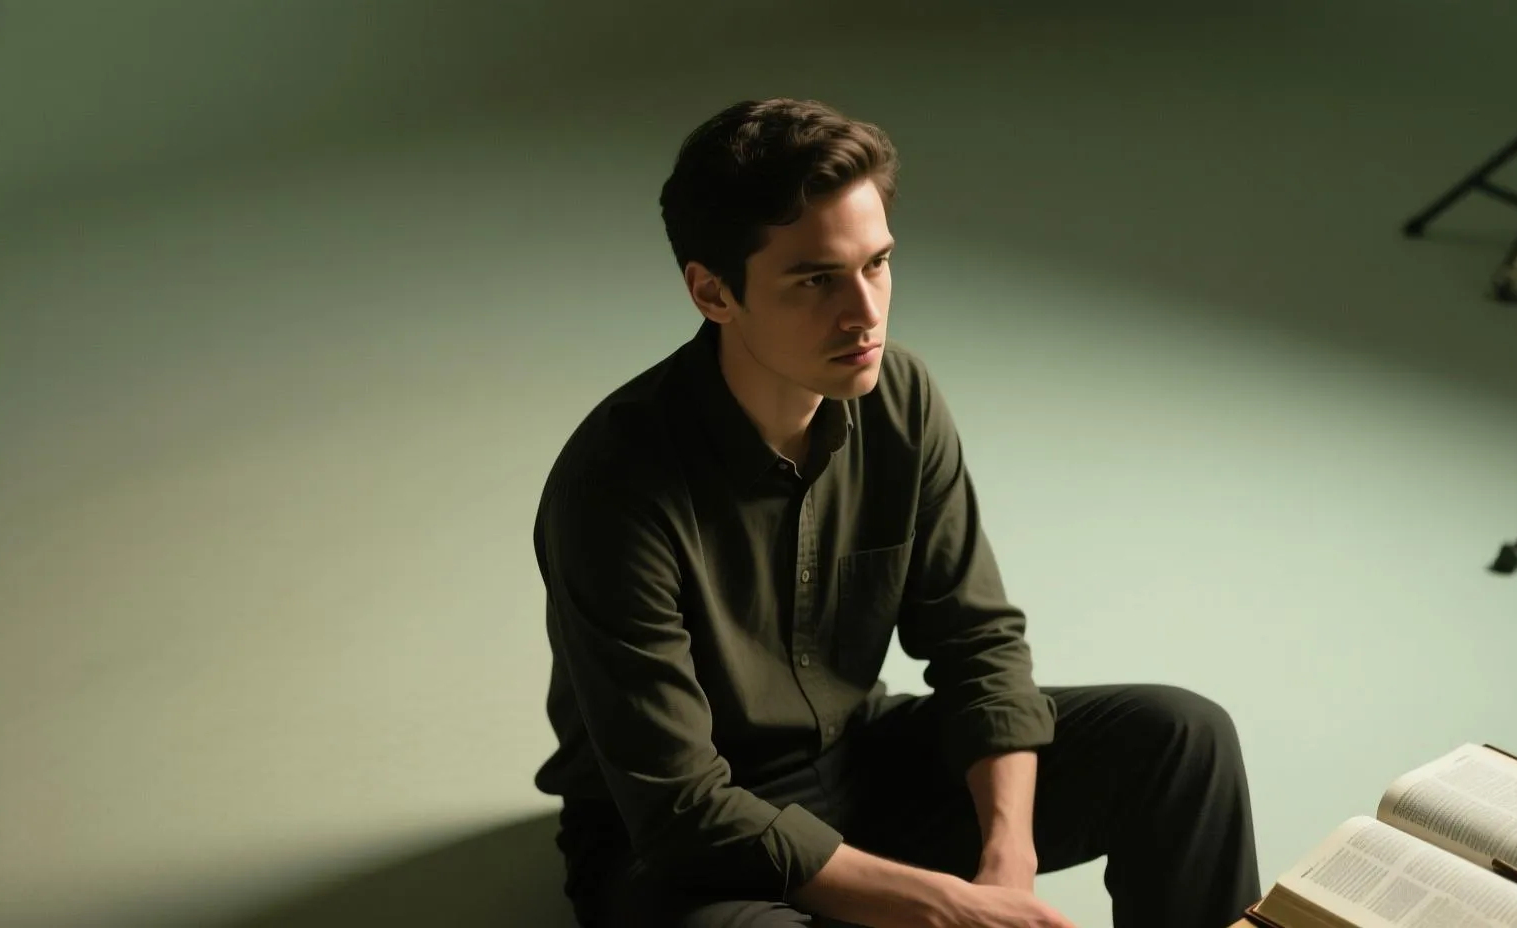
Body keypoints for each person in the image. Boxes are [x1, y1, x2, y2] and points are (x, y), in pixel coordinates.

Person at [531, 97, 1261, 928]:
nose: (865, 313)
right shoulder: (613, 485)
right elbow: (680, 808)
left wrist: (1007, 864)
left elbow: (978, 645)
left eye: (876, 264)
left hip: (856, 765)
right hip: (682, 843)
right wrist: (949, 909)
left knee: (1181, 737)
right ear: (713, 292)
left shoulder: (899, 397)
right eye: (815, 280)